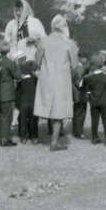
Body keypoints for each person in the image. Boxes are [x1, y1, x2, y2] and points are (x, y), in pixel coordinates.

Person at [33, 13, 78, 151]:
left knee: (47, 105)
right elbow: (75, 65)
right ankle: (54, 142)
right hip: (61, 80)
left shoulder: (44, 41)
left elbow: (37, 61)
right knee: (58, 111)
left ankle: (35, 136)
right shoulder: (69, 43)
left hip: (46, 78)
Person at [0, 32, 23, 147]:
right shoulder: (10, 63)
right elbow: (18, 76)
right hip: (7, 92)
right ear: (8, 50)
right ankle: (5, 138)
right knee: (7, 116)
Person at [81, 51, 106, 145]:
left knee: (95, 120)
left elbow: (87, 88)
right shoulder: (105, 77)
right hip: (104, 101)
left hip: (93, 102)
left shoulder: (89, 78)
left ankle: (94, 137)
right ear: (102, 65)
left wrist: (90, 94)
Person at [15, 56, 39, 144]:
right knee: (34, 120)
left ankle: (23, 137)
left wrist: (18, 104)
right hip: (33, 102)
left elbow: (17, 94)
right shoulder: (35, 80)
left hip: (23, 103)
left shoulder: (20, 82)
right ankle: (34, 137)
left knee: (23, 120)